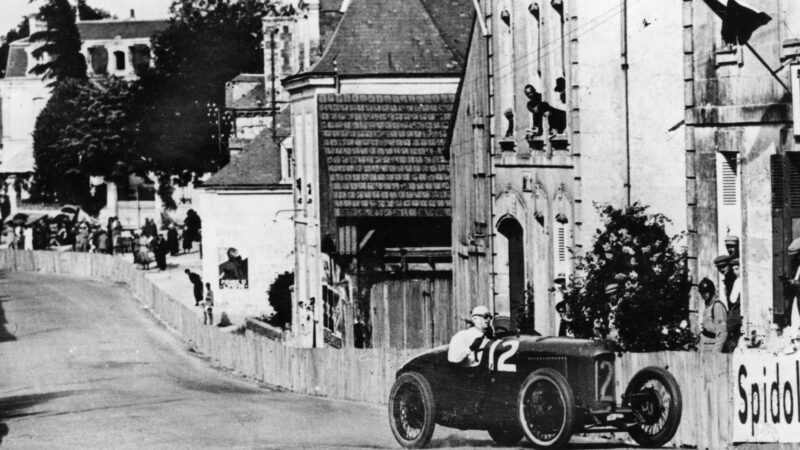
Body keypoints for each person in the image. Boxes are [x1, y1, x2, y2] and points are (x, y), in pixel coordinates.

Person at [698, 278, 727, 352]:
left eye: (706, 292)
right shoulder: (707, 306)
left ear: (711, 291)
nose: (703, 295)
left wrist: (715, 353)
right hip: (705, 346)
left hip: (712, 347)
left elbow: (722, 333)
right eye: (702, 292)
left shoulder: (717, 306)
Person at [725, 258, 743, 352]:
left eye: (737, 269)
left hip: (737, 310)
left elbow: (732, 299)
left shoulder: (739, 281)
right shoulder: (739, 280)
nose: (735, 272)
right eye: (734, 270)